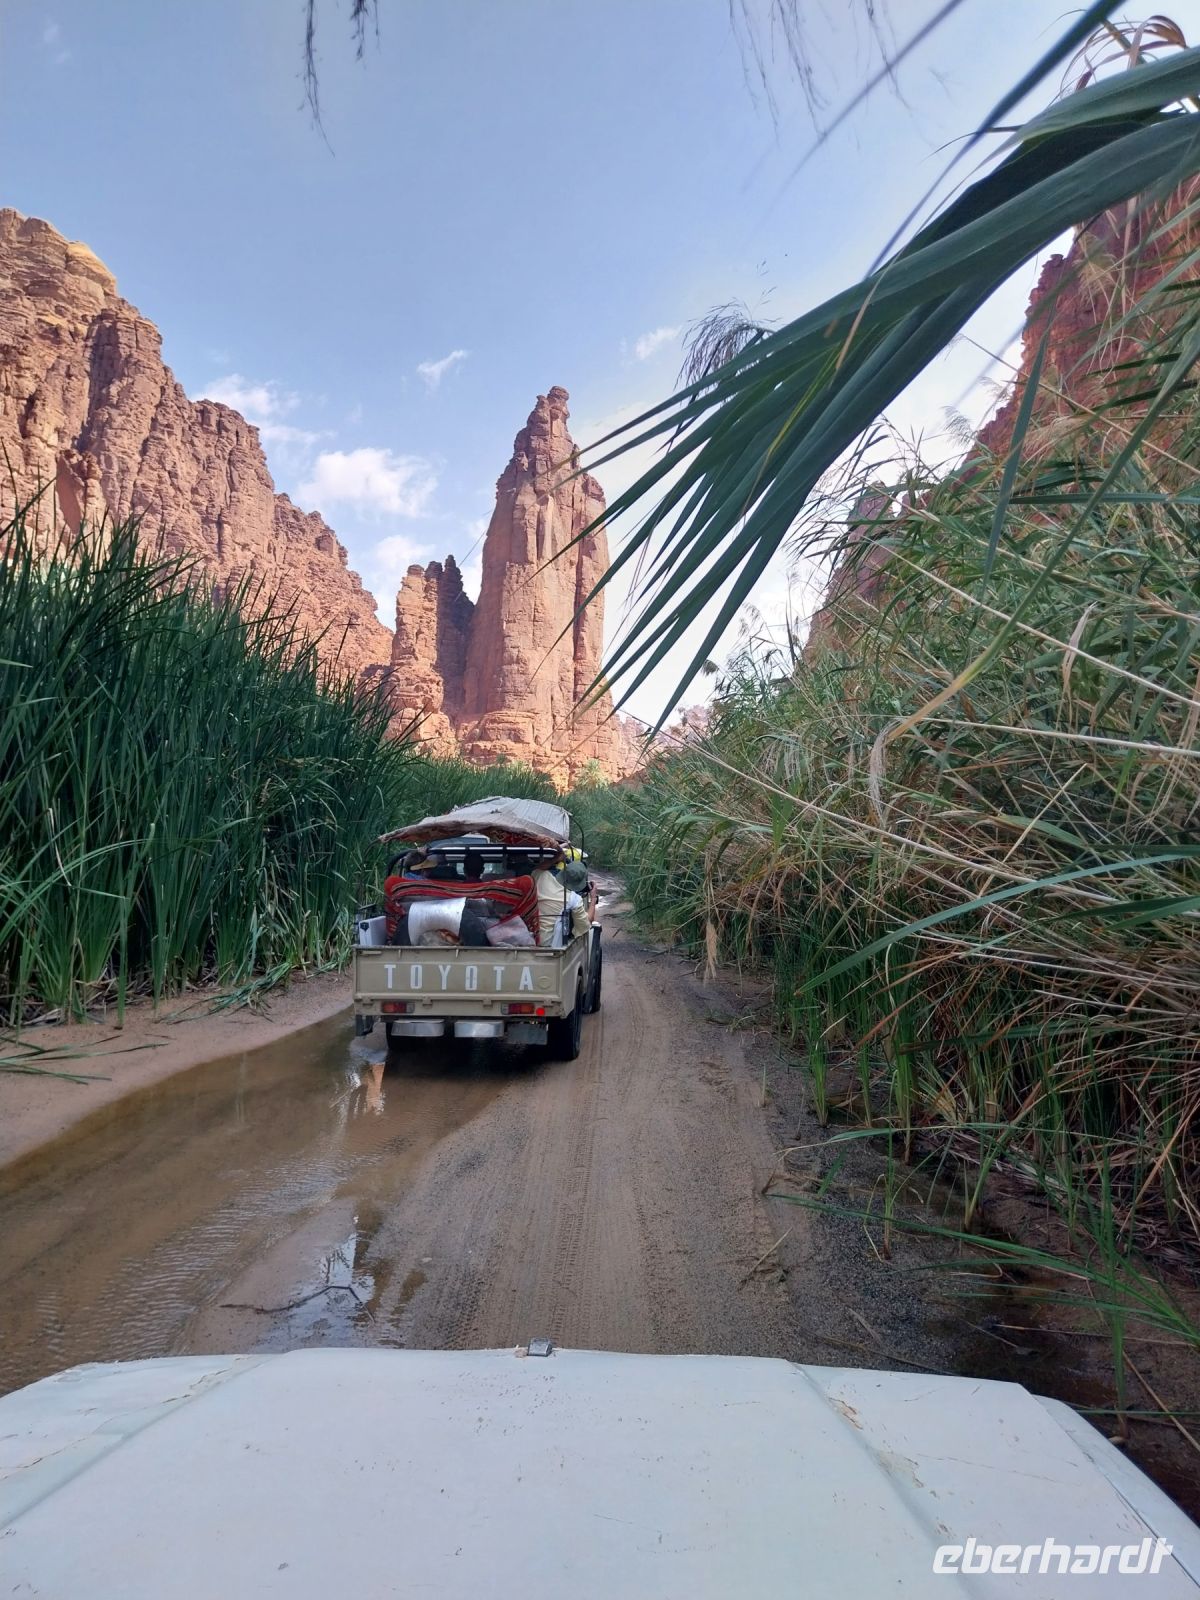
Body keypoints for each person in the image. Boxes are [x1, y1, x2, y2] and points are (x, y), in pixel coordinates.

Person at [532, 855, 591, 948]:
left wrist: (556, 858)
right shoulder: (574, 899)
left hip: (528, 935)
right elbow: (584, 926)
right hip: (548, 943)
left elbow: (538, 868)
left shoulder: (542, 876)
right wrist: (594, 897)